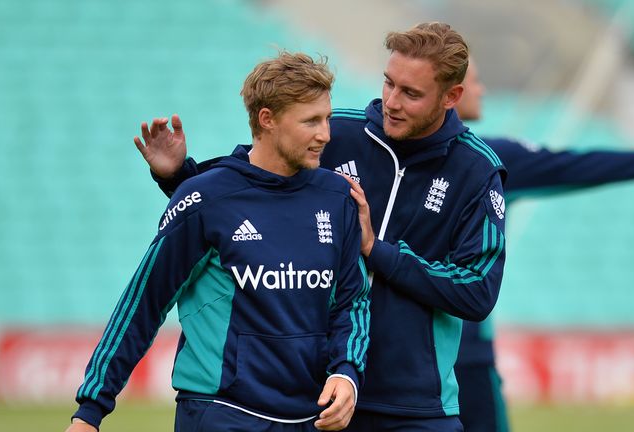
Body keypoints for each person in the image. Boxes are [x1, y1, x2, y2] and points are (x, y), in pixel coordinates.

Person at [139, 22, 508, 431]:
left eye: (411, 93)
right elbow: (246, 183)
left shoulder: (476, 170)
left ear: (451, 97)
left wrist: (378, 250)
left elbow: (477, 291)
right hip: (321, 401)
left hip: (417, 408)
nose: (391, 101)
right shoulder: (338, 133)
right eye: (388, 83)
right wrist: (178, 178)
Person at [67, 52, 370, 432]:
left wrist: (346, 373)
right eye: (311, 121)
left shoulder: (336, 196)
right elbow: (143, 303)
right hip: (221, 414)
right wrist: (90, 411)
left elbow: (352, 302)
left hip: (310, 418)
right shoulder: (205, 198)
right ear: (267, 120)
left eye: (326, 118)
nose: (325, 134)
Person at [452, 58, 634, 432]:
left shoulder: (421, 159)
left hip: (410, 353)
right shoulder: (490, 160)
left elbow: (577, 164)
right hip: (463, 354)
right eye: (475, 81)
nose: (482, 89)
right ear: (451, 94)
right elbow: (577, 166)